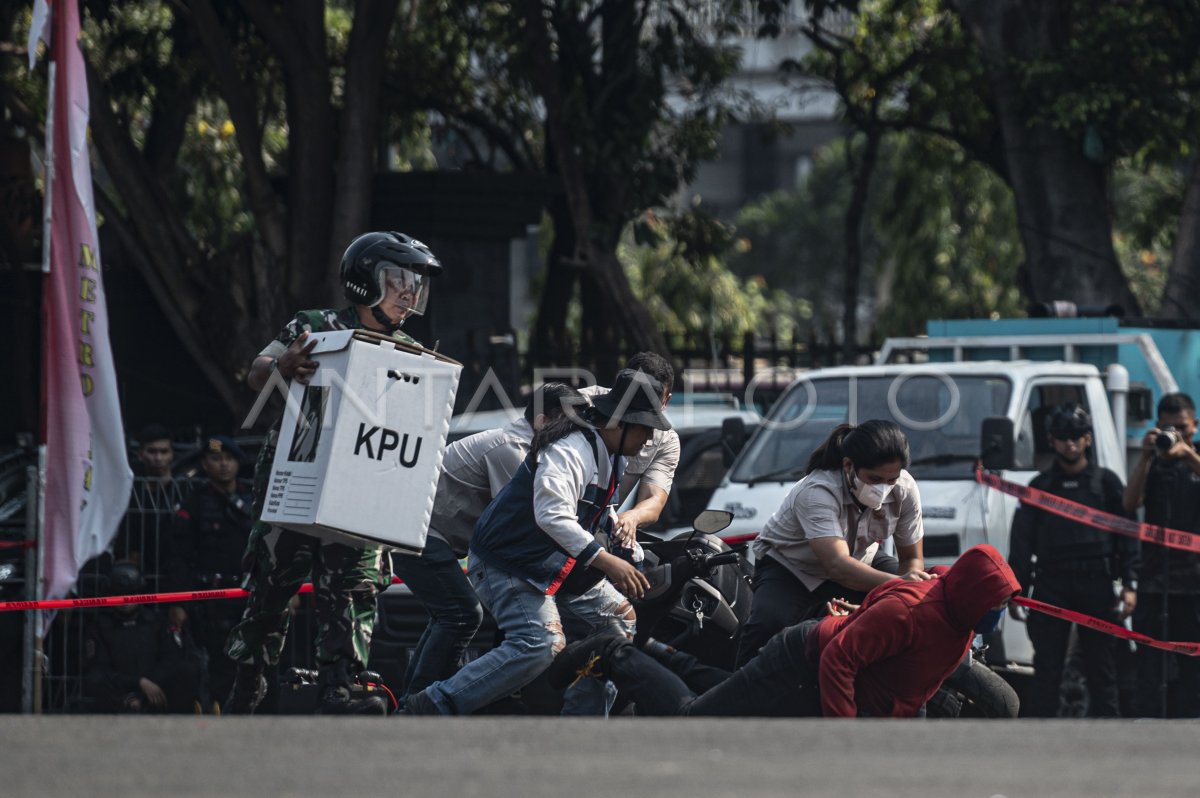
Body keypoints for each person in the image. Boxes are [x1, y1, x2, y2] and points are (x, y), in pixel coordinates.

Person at [224, 230, 442, 715]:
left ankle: (341, 686)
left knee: (354, 590)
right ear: (367, 282)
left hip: (361, 492)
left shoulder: (411, 352)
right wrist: (286, 363)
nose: (410, 294)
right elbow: (258, 372)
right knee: (270, 593)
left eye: (415, 285)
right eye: (399, 281)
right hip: (295, 485)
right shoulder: (315, 327)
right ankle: (248, 685)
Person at [402, 370, 669, 715]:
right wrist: (607, 561)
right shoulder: (571, 449)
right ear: (619, 422)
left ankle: (583, 724)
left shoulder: (610, 453)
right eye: (646, 429)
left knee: (617, 620)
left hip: (551, 564)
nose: (649, 439)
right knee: (540, 644)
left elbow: (602, 511)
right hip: (508, 562)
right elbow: (552, 516)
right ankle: (433, 704)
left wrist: (628, 550)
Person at [549, 544, 1020, 718]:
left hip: (811, 681)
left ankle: (656, 649)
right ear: (973, 597)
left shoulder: (957, 618)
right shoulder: (910, 613)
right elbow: (841, 660)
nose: (998, 611)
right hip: (799, 663)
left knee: (730, 695)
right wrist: (845, 734)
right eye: (996, 603)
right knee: (694, 718)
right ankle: (615, 652)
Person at [391, 383, 582, 706]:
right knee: (462, 614)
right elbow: (531, 521)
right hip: (418, 532)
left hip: (424, 532)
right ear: (541, 422)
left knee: (453, 615)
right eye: (567, 426)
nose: (572, 437)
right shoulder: (511, 449)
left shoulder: (528, 449)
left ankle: (418, 698)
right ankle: (421, 703)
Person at [735, 420, 929, 667]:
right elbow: (837, 565)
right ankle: (738, 688)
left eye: (890, 481)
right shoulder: (817, 491)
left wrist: (905, 594)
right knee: (768, 624)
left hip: (861, 560)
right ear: (848, 466)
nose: (883, 489)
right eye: (875, 479)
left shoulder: (905, 488)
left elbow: (912, 559)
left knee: (921, 605)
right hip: (792, 569)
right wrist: (899, 585)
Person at [1007, 405, 1137, 717]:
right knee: (1047, 669)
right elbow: (1021, 544)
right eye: (1063, 437)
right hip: (1052, 584)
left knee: (1102, 670)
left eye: (1077, 435)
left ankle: (1111, 742)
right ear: (1052, 441)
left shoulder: (1106, 483)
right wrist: (1016, 589)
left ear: (1088, 438)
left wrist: (1130, 584)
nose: (1071, 443)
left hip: (1097, 584)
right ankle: (1043, 744)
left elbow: (1128, 537)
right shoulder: (1040, 488)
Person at [1123, 391, 1200, 718]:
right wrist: (1145, 456)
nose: (1176, 436)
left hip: (1195, 582)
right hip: (1156, 578)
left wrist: (1188, 455)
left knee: (1192, 664)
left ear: (1194, 427)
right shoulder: (1153, 461)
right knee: (1150, 661)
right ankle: (1150, 721)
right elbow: (1129, 503)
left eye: (1182, 428)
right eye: (1170, 429)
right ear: (1158, 427)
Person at [167, 435, 256, 709]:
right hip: (210, 599)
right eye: (216, 459)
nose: (223, 465)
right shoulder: (194, 504)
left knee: (255, 662)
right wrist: (179, 602)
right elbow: (177, 558)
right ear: (205, 464)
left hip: (249, 595)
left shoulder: (255, 500)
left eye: (228, 459)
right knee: (218, 665)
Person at [83, 562, 208, 714]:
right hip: (120, 692)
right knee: (95, 679)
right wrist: (138, 684)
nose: (125, 600)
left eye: (130, 593)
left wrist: (146, 689)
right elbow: (99, 669)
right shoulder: (100, 627)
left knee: (186, 670)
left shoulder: (156, 622)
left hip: (156, 689)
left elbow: (170, 660)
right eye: (119, 594)